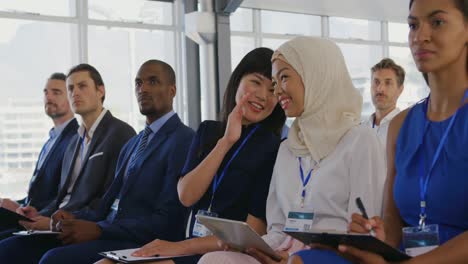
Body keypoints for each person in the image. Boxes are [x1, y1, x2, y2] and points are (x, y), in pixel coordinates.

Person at [198, 37, 386, 264]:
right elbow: (278, 229)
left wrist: (297, 256)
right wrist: (255, 248)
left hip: (336, 255)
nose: (277, 92)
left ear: (316, 75)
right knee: (216, 260)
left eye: (283, 77)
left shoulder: (360, 140)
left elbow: (365, 231)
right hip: (288, 255)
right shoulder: (288, 148)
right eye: (276, 82)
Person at [97, 47, 286, 264]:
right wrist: (225, 142)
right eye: (256, 82)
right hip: (186, 243)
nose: (263, 95)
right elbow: (187, 195)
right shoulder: (208, 131)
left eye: (272, 90)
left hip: (221, 253)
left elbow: (252, 232)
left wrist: (177, 248)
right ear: (238, 80)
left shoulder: (272, 148)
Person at [24, 60, 194, 264]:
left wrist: (99, 229)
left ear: (172, 90)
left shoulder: (185, 140)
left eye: (153, 81)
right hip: (111, 232)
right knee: (13, 248)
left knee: (53, 260)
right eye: (138, 83)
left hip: (140, 241)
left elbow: (168, 221)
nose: (143, 89)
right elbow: (105, 205)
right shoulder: (133, 144)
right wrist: (72, 217)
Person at [339, 0, 468, 263]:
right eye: (413, 25)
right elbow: (393, 223)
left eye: (437, 22)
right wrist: (376, 237)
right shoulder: (401, 126)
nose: (420, 36)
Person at [0, 64, 136, 263]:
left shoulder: (120, 133)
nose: (75, 93)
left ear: (101, 90)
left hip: (81, 227)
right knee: (5, 242)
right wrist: (38, 214)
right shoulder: (74, 142)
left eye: (82, 86)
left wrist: (55, 222)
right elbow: (62, 199)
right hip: (58, 223)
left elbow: (107, 200)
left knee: (8, 250)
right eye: (71, 88)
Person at [0, 73, 78, 238]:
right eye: (45, 92)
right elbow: (38, 193)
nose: (48, 97)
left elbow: (64, 195)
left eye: (56, 92)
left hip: (45, 220)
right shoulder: (51, 140)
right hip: (30, 214)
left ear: (72, 98)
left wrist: (19, 210)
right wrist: (17, 205)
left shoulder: (75, 139)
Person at [362, 58, 405, 148]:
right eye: (376, 82)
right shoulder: (361, 128)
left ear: (400, 90)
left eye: (388, 83)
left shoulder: (406, 128)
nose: (380, 89)